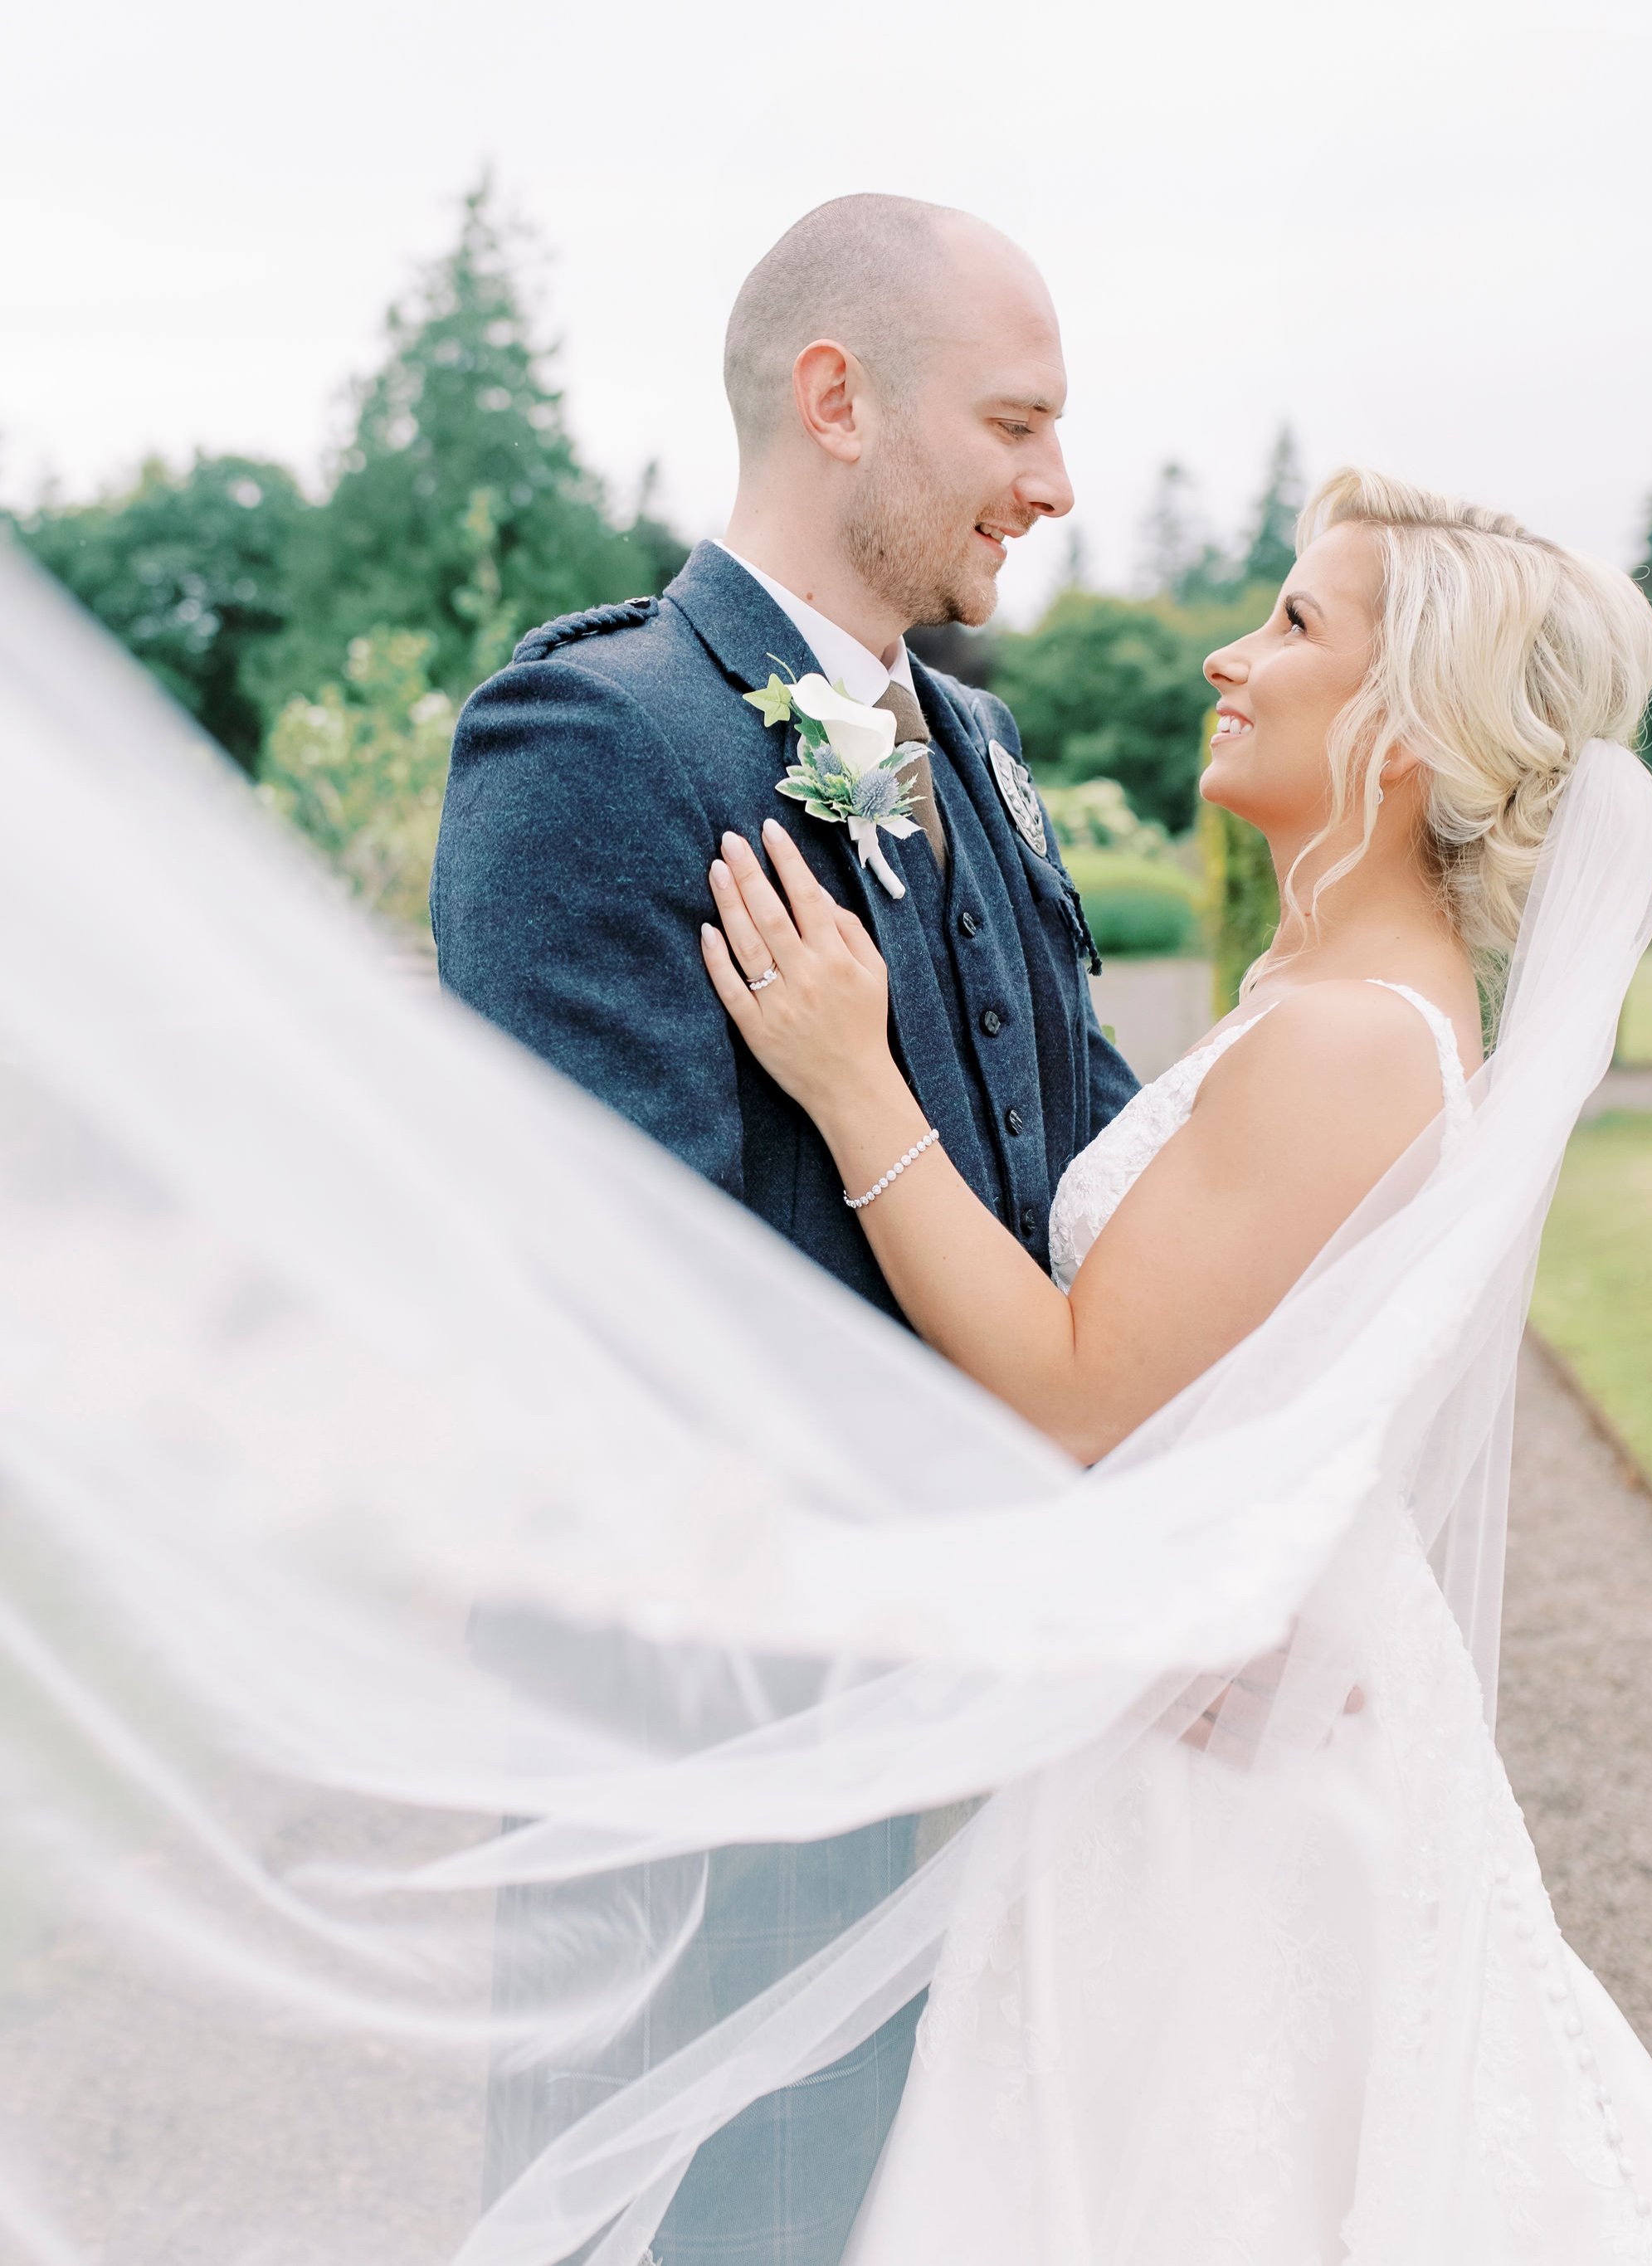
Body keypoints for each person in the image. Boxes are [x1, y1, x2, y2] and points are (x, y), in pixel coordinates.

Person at [699, 467, 1652, 2259]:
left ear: (1407, 728)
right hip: (1198, 1710)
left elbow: (1082, 1392)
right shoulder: (1319, 1001)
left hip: (1221, 1790)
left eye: (1297, 623)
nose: (1232, 657)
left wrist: (853, 1082)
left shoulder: (1341, 1042)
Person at [429, 192, 1136, 2264]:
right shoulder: (596, 739)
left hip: (997, 1741)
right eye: (1013, 421)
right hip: (723, 1766)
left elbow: (1080, 1184)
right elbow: (608, 1312)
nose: (1057, 482)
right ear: (839, 397)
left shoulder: (980, 752)